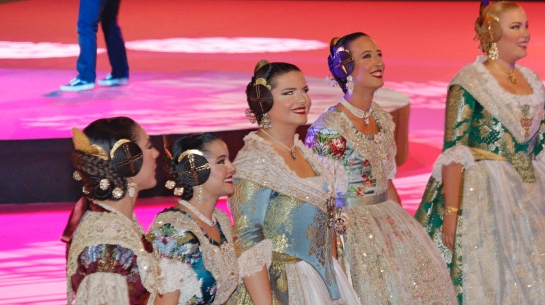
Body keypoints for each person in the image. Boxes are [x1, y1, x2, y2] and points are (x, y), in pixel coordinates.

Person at [415, 1, 545, 304]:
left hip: (532, 189)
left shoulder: (533, 81)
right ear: (492, 33)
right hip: (483, 193)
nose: (525, 34)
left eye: (526, 26)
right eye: (516, 27)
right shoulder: (469, 82)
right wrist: (451, 214)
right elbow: (454, 150)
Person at [305, 33, 457, 304]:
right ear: (345, 68)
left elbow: (386, 180)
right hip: (350, 233)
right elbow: (318, 199)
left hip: (387, 220)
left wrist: (405, 234)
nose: (378, 62)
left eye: (379, 54)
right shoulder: (328, 128)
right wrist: (331, 262)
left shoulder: (383, 119)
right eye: (367, 56)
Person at [228, 60, 360, 304]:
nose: (302, 99)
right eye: (288, 93)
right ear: (263, 101)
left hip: (325, 280)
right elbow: (247, 239)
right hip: (283, 288)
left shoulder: (304, 153)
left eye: (304, 90)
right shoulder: (254, 161)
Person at [61, 116, 161, 304]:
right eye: (148, 147)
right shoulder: (106, 240)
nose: (155, 153)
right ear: (128, 160)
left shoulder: (114, 223)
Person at [148, 133, 241, 304]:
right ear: (195, 170)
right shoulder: (172, 229)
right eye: (221, 161)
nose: (232, 168)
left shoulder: (220, 220)